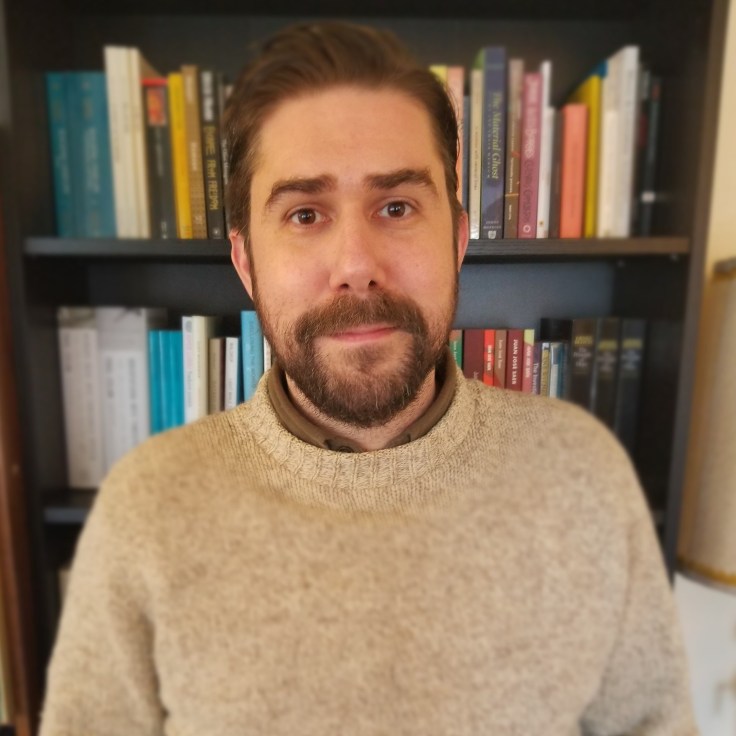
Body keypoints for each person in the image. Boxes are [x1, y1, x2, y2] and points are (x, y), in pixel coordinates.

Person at [40, 21, 697, 736]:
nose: (356, 264)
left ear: (457, 239)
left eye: (396, 207)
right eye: (305, 214)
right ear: (246, 263)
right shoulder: (146, 509)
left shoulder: (585, 477)